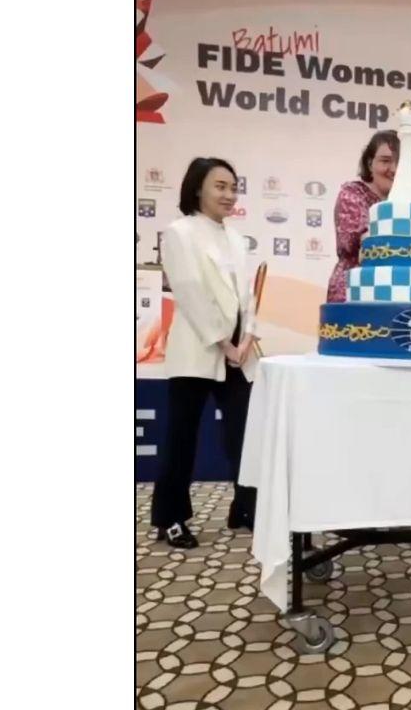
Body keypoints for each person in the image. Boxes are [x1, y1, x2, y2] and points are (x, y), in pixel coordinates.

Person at [152, 157, 261, 549]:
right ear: (198, 187)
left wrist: (247, 337)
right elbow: (190, 292)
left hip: (239, 351)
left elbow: (246, 294)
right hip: (198, 349)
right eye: (220, 186)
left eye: (233, 187)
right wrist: (223, 341)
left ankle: (245, 506)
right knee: (182, 437)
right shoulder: (179, 232)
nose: (229, 195)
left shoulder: (235, 237)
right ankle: (170, 518)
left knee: (246, 434)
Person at [326, 131, 400, 303]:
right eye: (385, 161)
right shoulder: (352, 195)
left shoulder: (410, 203)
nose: (394, 169)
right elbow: (362, 242)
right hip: (353, 294)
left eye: (399, 162)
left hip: (395, 293)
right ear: (369, 163)